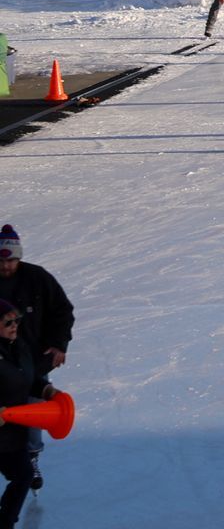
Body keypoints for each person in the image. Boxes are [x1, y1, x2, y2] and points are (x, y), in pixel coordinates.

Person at [0, 225, 72, 502]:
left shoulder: (37, 278)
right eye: (1, 260)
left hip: (31, 365)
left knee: (32, 412)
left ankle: (30, 459)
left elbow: (62, 312)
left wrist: (59, 343)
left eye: (11, 259)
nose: (6, 266)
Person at [0, 297, 54, 528]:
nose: (15, 326)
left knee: (23, 475)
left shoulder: (19, 346)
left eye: (17, 320)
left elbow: (26, 378)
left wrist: (45, 388)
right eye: (8, 322)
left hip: (12, 433)